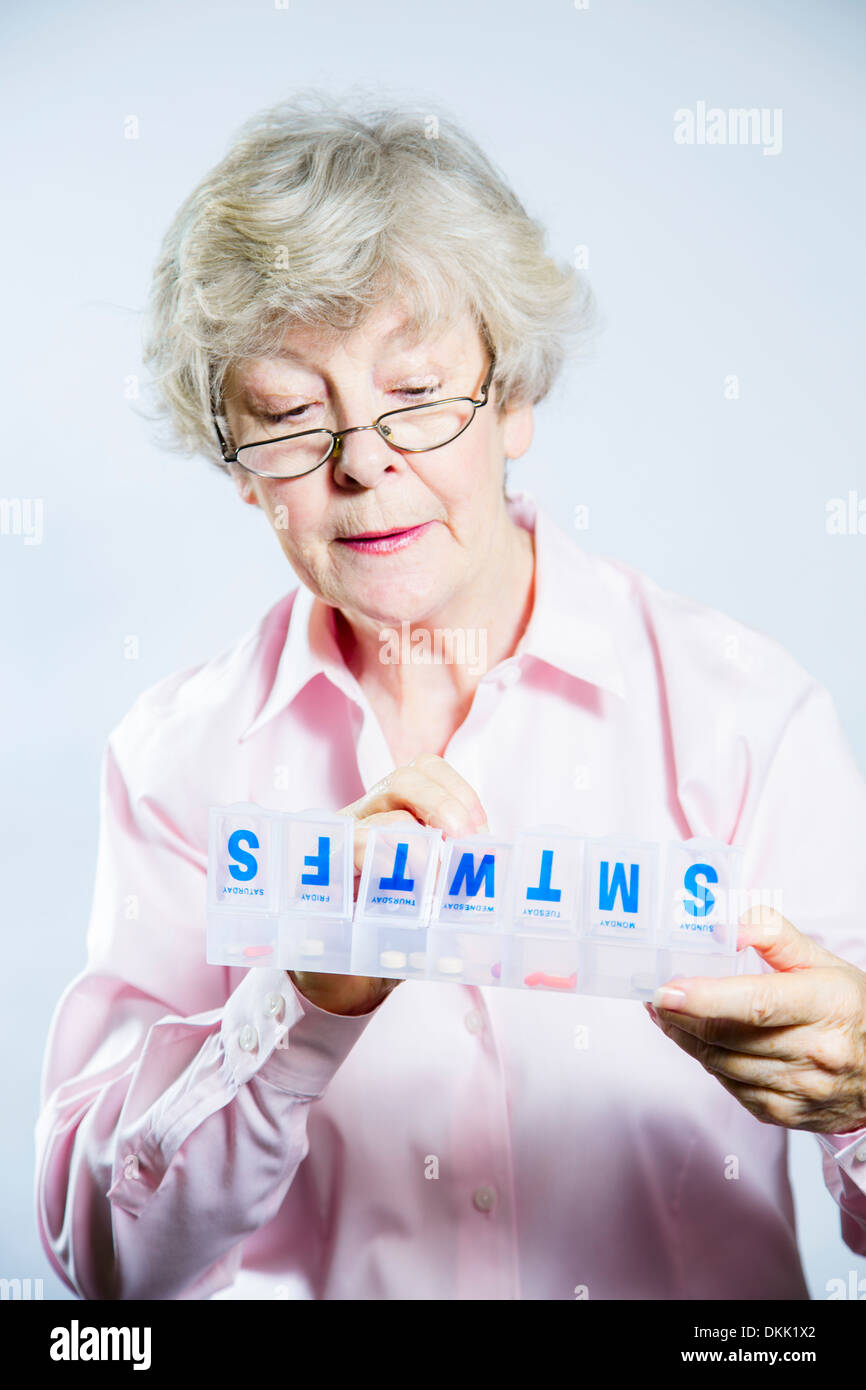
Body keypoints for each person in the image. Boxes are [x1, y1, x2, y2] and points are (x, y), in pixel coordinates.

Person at [35, 94, 866, 1301]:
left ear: (513, 394)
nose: (362, 461)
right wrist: (300, 996)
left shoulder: (746, 714)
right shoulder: (173, 762)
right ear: (234, 464)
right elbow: (108, 1267)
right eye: (288, 415)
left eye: (415, 395)